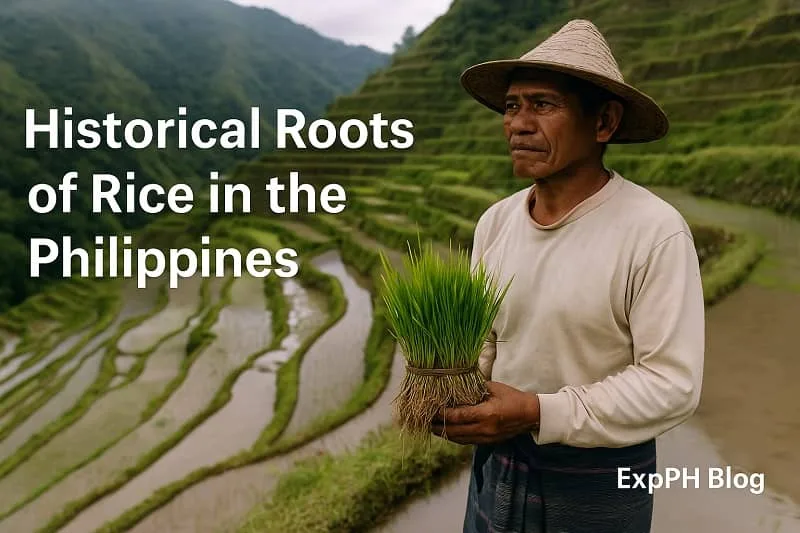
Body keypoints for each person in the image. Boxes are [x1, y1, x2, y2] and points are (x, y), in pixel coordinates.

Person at [430, 19, 706, 533]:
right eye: (511, 106)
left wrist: (538, 411)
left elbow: (672, 385)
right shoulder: (496, 222)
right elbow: (485, 342)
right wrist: (453, 389)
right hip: (499, 463)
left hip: (598, 480)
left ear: (603, 122)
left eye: (543, 104)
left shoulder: (653, 231)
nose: (518, 124)